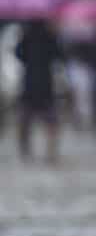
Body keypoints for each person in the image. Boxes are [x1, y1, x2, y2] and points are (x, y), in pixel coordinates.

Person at [15, 20, 63, 162]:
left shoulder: (27, 35)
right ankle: (50, 151)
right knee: (49, 120)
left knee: (26, 120)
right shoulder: (49, 36)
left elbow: (19, 55)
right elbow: (58, 55)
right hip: (44, 83)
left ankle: (26, 150)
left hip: (30, 83)